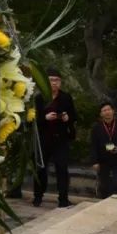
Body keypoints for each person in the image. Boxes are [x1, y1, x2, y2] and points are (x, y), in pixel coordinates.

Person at [32, 68, 77, 208]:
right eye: (51, 80)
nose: (54, 83)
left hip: (61, 139)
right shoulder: (39, 98)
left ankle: (63, 199)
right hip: (43, 139)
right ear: (46, 82)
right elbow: (32, 119)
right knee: (40, 168)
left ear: (61, 82)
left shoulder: (66, 97)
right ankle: (38, 196)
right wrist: (45, 118)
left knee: (62, 168)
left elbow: (74, 116)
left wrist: (67, 118)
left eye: (57, 80)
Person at [90, 102, 117, 199]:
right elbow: (93, 145)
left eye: (108, 109)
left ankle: (115, 204)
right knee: (104, 185)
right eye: (104, 110)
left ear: (113, 111)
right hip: (103, 160)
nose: (107, 112)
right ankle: (104, 205)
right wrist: (95, 161)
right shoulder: (96, 128)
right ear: (101, 114)